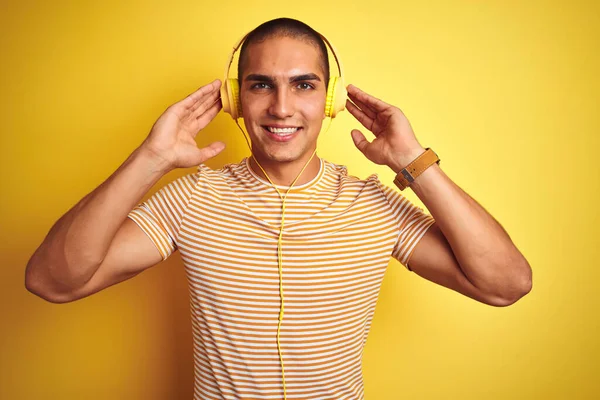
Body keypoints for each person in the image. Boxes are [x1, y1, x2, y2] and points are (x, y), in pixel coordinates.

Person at [25, 17, 532, 400]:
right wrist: (151, 158)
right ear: (235, 98)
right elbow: (52, 281)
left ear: (330, 100)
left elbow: (505, 285)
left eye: (304, 85)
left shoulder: (374, 204)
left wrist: (413, 161)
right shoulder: (191, 198)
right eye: (261, 84)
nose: (282, 107)